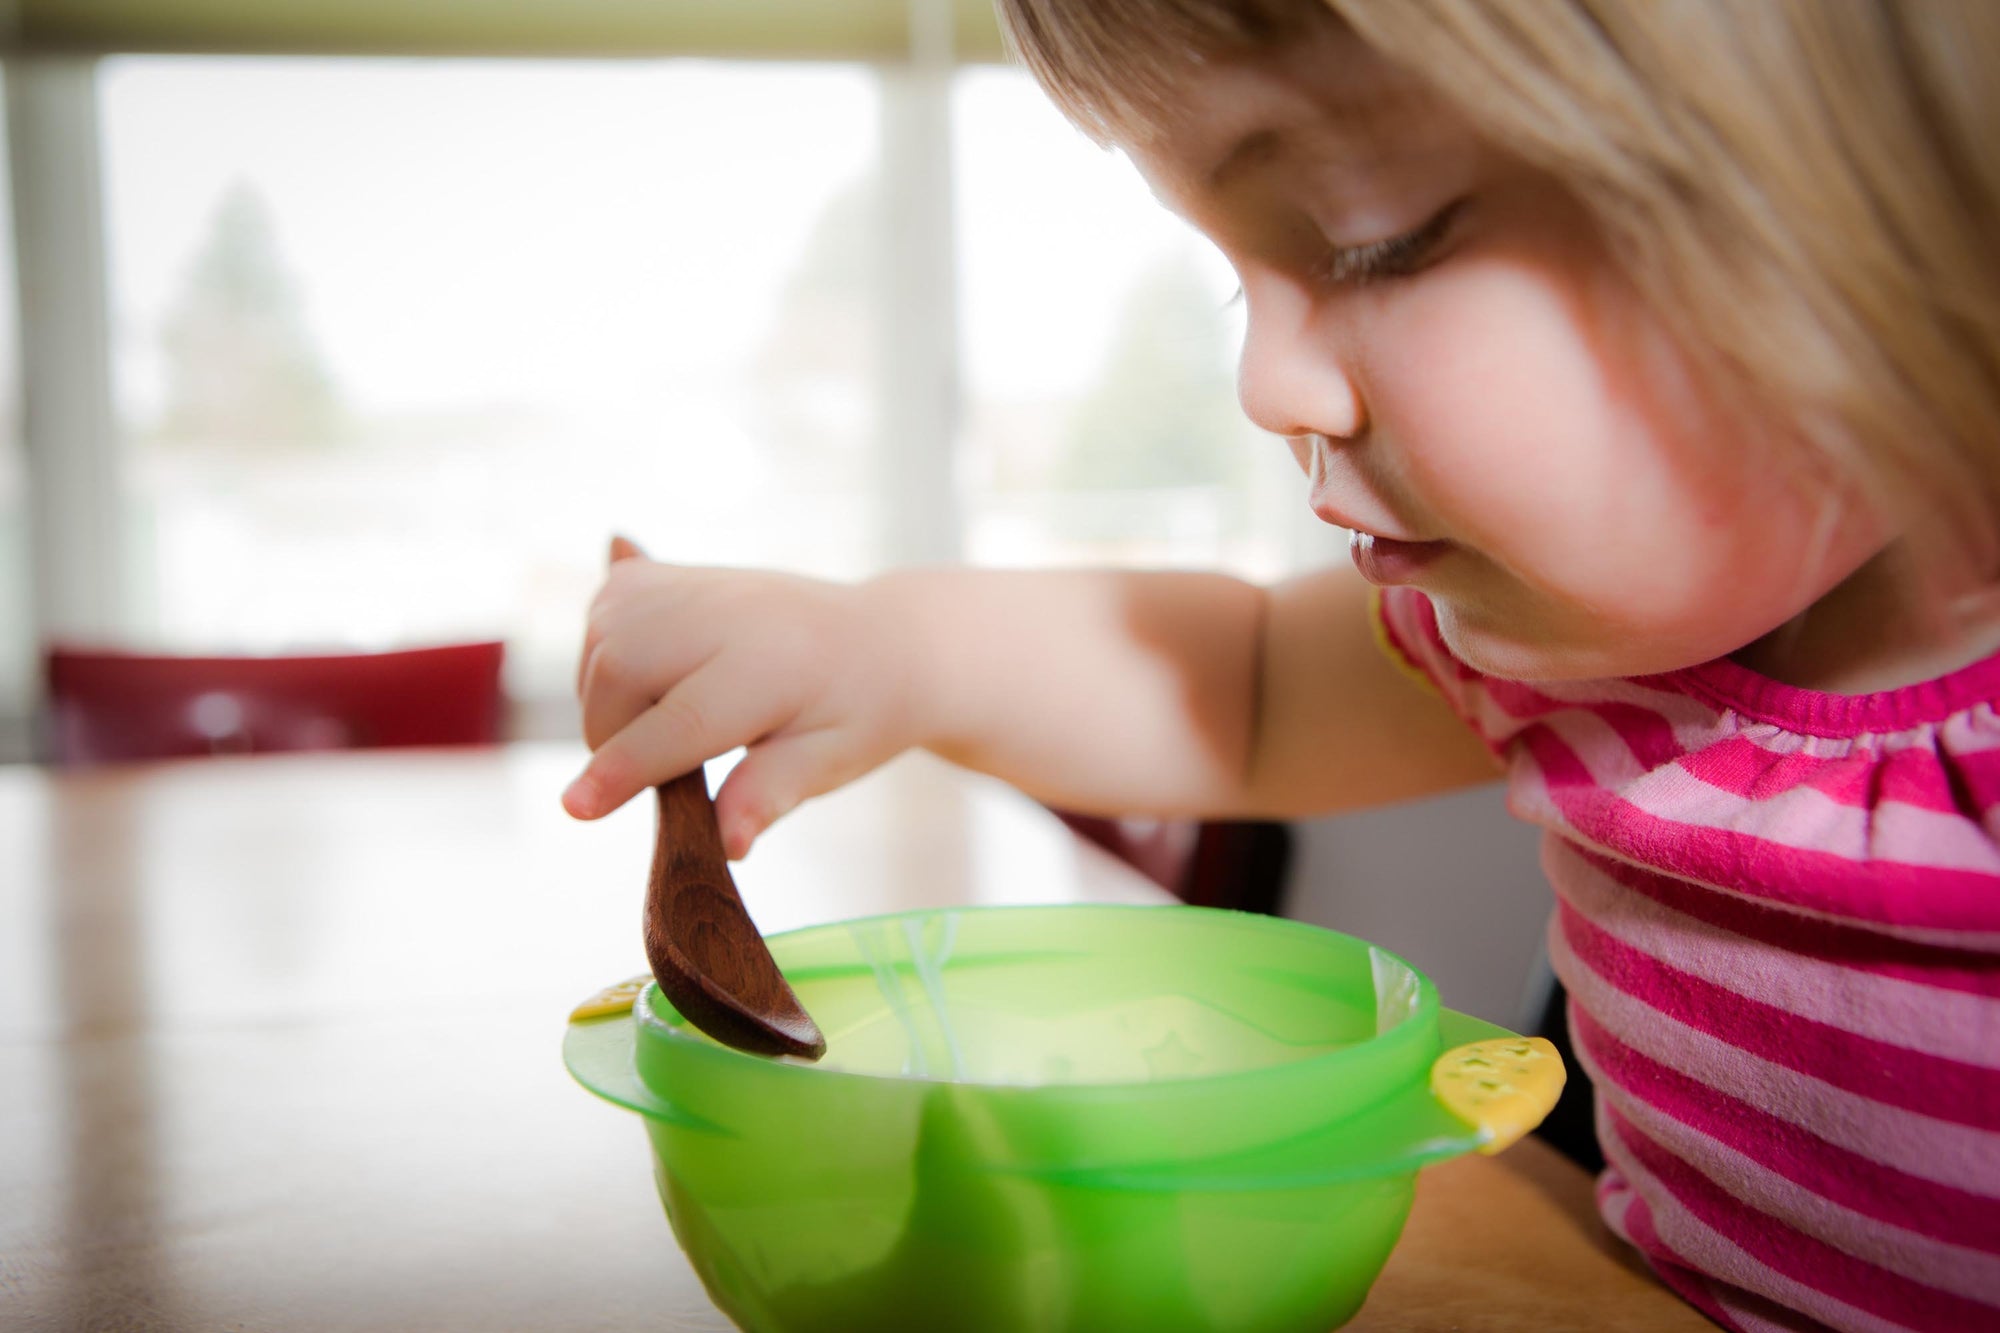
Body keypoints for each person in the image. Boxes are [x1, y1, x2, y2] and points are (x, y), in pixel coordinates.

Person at [564, 3, 2000, 1329]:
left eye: (1378, 237)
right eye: (1243, 284)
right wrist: (887, 646)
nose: (1269, 391)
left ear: (1902, 172)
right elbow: (1242, 685)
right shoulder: (1582, 655)